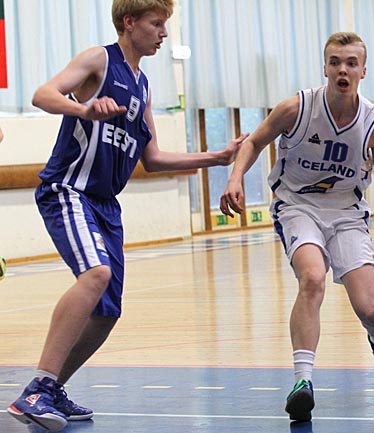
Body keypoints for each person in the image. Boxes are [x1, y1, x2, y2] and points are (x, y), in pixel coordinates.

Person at [7, 1, 248, 431]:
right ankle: (37, 391)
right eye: (157, 24)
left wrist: (216, 156)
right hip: (69, 190)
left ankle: (52, 388)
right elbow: (42, 95)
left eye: (165, 25)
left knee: (106, 312)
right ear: (130, 22)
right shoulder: (98, 60)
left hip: (105, 205)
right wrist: (83, 109)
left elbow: (152, 158)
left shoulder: (143, 86)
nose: (164, 33)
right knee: (96, 274)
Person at [220, 31, 374, 422]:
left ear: (363, 71)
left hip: (347, 213)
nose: (343, 70)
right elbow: (254, 142)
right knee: (312, 278)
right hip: (297, 206)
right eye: (335, 62)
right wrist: (235, 178)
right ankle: (302, 381)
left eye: (351, 63)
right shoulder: (296, 108)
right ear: (325, 67)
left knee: (369, 309)